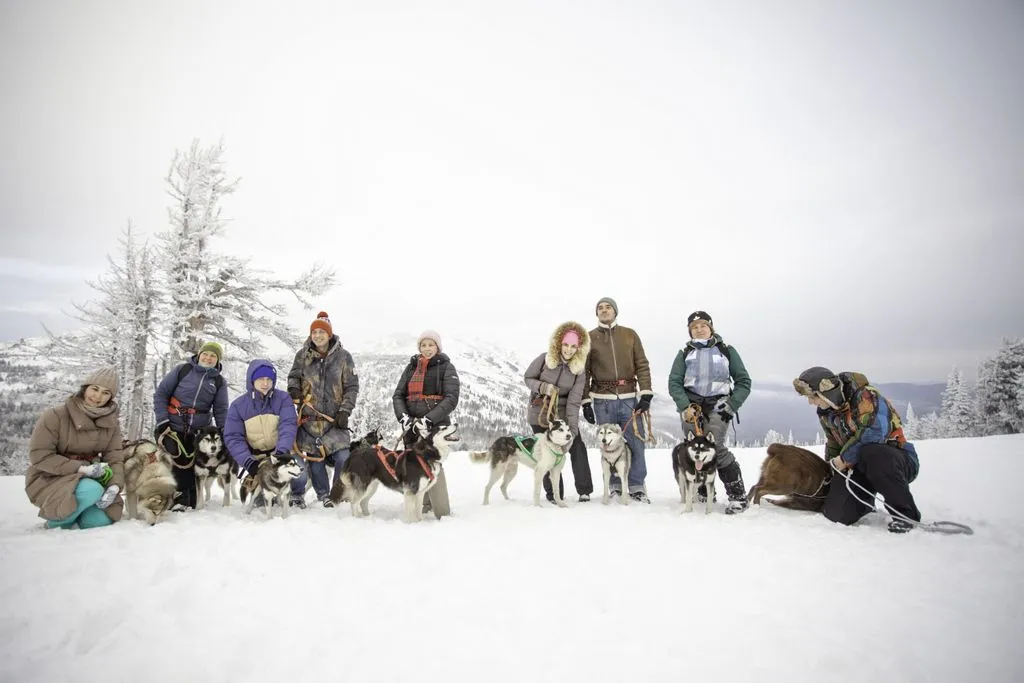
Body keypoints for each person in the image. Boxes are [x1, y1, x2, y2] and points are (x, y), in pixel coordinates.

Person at [793, 366, 922, 533]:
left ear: (826, 392)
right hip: (858, 466)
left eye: (813, 397)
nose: (811, 402)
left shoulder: (866, 396)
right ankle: (864, 503)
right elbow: (834, 443)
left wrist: (843, 459)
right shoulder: (826, 412)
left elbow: (875, 433)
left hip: (895, 460)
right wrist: (829, 470)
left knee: (872, 453)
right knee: (836, 514)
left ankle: (906, 515)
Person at [667, 310, 753, 513]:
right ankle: (706, 493)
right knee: (694, 447)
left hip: (719, 405)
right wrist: (684, 406)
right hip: (692, 406)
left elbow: (744, 382)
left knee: (716, 447)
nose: (699, 329)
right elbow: (674, 382)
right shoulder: (684, 353)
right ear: (690, 331)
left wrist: (731, 405)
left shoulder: (726, 350)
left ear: (711, 327)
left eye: (703, 325)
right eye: (694, 327)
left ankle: (737, 496)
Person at [25, 367, 125, 529]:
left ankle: (76, 513)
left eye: (106, 393)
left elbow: (114, 457)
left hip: (92, 478)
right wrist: (82, 469)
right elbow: (39, 455)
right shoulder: (55, 416)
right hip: (51, 476)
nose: (98, 396)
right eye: (95, 389)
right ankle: (59, 522)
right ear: (85, 388)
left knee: (98, 520)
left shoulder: (111, 424)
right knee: (92, 490)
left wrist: (115, 485)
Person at [581, 297, 654, 503]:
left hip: (629, 398)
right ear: (597, 313)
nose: (604, 310)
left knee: (636, 443)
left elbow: (642, 363)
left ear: (615, 311)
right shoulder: (589, 338)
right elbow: (584, 373)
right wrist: (586, 401)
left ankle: (637, 486)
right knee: (607, 445)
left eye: (608, 307)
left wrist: (646, 392)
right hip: (602, 400)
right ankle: (614, 487)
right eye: (600, 308)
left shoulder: (629, 335)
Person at [287, 311, 359, 508]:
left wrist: (345, 410)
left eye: (322, 332)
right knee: (315, 459)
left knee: (343, 456)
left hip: (335, 420)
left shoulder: (344, 357)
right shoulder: (302, 356)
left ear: (329, 334)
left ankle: (338, 492)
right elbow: (293, 376)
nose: (318, 336)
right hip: (309, 419)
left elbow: (352, 386)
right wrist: (294, 389)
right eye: (314, 332)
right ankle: (323, 495)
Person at [153, 341, 229, 511]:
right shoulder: (183, 370)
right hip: (171, 427)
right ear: (199, 354)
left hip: (198, 431)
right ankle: (168, 494)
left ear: (217, 361)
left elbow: (221, 409)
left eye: (213, 356)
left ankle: (185, 496)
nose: (208, 358)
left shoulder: (218, 381)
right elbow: (161, 395)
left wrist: (224, 432)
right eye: (206, 354)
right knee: (174, 458)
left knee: (193, 466)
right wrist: (163, 420)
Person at [524, 321, 593, 503]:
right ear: (559, 343)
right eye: (565, 344)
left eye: (573, 346)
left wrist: (572, 428)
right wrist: (543, 387)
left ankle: (584, 490)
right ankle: (554, 494)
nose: (568, 350)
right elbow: (528, 378)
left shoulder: (579, 371)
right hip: (540, 409)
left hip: (562, 412)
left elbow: (574, 401)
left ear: (579, 348)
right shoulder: (544, 359)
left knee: (577, 446)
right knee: (546, 451)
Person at [392, 330, 459, 518]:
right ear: (419, 347)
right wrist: (404, 417)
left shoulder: (446, 367)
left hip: (434, 425)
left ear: (437, 347)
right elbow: (398, 395)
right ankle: (421, 505)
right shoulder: (411, 367)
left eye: (431, 345)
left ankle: (442, 510)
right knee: (414, 464)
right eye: (424, 345)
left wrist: (429, 419)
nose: (427, 348)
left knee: (434, 462)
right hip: (412, 425)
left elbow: (451, 398)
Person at [224, 359, 299, 507]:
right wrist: (248, 461)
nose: (265, 383)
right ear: (252, 380)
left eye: (269, 379)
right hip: (256, 457)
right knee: (261, 500)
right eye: (260, 379)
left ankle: (294, 494)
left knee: (299, 479)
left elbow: (288, 425)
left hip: (280, 454)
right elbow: (233, 437)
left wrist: (282, 452)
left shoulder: (283, 399)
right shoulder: (238, 406)